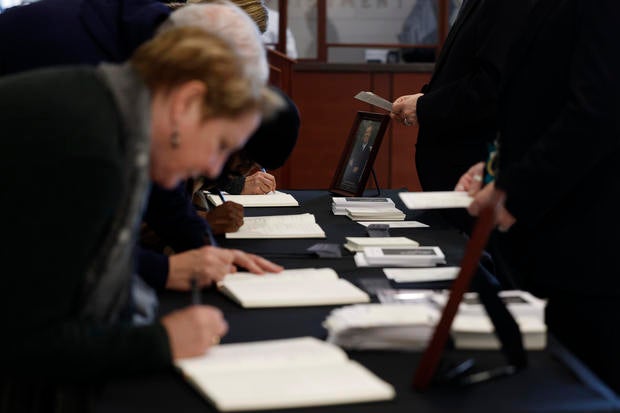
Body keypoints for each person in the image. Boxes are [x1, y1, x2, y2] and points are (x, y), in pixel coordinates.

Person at [0, 27, 283, 411]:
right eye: (219, 145)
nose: (213, 167)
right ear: (186, 103)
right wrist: (163, 340)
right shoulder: (94, 152)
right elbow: (28, 343)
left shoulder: (107, 110)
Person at [0, 0, 285, 293]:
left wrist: (202, 247)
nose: (214, 167)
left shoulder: (146, 64)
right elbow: (57, 246)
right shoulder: (91, 91)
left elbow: (161, 174)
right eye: (220, 144)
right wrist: (163, 271)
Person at [456, 0, 620, 393]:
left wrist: (515, 187)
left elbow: (597, 111)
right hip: (550, 239)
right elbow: (539, 103)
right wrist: (497, 168)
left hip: (588, 242)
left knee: (584, 386)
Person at [390, 0, 528, 233]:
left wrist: (425, 106)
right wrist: (423, 99)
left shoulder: (505, 6)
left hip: (472, 176)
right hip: (452, 178)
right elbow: (462, 70)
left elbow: (490, 87)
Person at [340, 121, 376, 192]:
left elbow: (363, 162)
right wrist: (351, 162)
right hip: (350, 170)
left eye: (369, 133)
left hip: (357, 174)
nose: (366, 135)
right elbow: (353, 157)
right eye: (366, 132)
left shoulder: (369, 149)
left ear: (371, 135)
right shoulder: (358, 145)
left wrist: (357, 167)